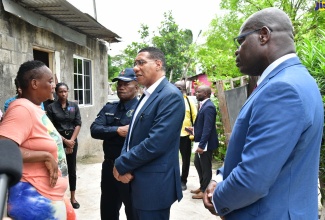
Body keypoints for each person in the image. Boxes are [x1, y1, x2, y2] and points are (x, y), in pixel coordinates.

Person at [203, 8, 324, 220]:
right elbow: (254, 149)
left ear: (264, 35)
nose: (237, 51)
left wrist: (218, 198)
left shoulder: (283, 89)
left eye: (240, 41)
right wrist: (220, 177)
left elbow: (253, 178)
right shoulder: (295, 79)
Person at [113, 47, 185, 220]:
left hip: (153, 187)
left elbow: (156, 143)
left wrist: (121, 163)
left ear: (158, 64)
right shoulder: (147, 95)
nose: (136, 68)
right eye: (135, 63)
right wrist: (124, 165)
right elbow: (131, 136)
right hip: (137, 181)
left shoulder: (170, 96)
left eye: (141, 62)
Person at [0, 60, 76, 219]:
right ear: (34, 83)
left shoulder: (35, 108)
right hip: (34, 198)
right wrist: (45, 156)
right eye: (49, 81)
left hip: (48, 195)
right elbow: (4, 149)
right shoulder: (21, 109)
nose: (53, 86)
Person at [90, 68, 138, 220]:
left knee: (133, 211)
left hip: (130, 170)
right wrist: (117, 130)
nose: (121, 87)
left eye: (126, 83)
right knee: (108, 210)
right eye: (119, 84)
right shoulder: (109, 107)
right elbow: (95, 130)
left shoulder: (141, 109)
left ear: (137, 87)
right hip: (109, 167)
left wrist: (108, 131)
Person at [47, 82, 82, 209]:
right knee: (58, 168)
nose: (63, 94)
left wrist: (71, 141)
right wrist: (64, 141)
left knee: (72, 169)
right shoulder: (51, 108)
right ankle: (58, 197)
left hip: (72, 140)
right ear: (56, 93)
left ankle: (73, 197)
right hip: (57, 141)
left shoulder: (73, 106)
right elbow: (51, 128)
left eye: (65, 91)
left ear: (68, 92)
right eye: (61, 91)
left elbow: (78, 123)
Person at [189, 85, 218, 199]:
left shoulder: (209, 107)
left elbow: (208, 128)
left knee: (205, 166)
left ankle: (205, 190)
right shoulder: (203, 105)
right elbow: (202, 125)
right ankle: (202, 186)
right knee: (197, 163)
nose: (196, 94)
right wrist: (194, 129)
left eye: (198, 92)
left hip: (205, 144)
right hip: (200, 142)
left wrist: (202, 145)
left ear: (205, 94)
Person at [174, 80, 197, 191]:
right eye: (175, 87)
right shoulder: (170, 100)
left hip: (185, 135)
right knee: (172, 158)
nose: (177, 90)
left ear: (184, 90)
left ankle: (183, 180)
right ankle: (173, 179)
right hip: (172, 134)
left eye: (179, 88)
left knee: (186, 159)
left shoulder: (189, 101)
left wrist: (192, 135)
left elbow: (194, 118)